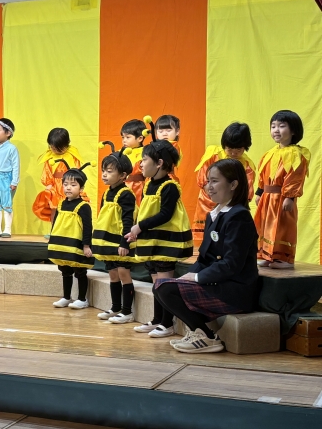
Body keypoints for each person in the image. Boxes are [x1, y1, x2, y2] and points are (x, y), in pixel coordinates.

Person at [154, 159, 259, 353]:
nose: (208, 186)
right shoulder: (213, 214)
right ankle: (197, 332)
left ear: (233, 184)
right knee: (163, 286)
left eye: (215, 181)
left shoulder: (239, 216)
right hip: (217, 284)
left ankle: (207, 338)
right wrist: (187, 277)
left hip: (234, 290)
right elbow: (204, 258)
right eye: (208, 181)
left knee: (165, 288)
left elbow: (231, 264)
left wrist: (197, 277)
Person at [124, 141, 192, 338]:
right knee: (157, 285)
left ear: (159, 163)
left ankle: (167, 323)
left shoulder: (170, 186)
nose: (141, 164)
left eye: (145, 159)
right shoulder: (148, 184)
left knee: (164, 285)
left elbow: (165, 215)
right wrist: (136, 231)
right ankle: (157, 320)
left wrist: (140, 226)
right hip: (152, 242)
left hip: (165, 243)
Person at [254, 110, 309, 269]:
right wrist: (259, 192)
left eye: (282, 126)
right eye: (273, 126)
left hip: (282, 198)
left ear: (293, 131)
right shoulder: (269, 153)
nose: (276, 130)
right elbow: (263, 174)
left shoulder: (296, 154)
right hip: (267, 198)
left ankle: (284, 258)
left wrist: (290, 197)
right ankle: (267, 255)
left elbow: (295, 177)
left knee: (283, 227)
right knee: (266, 226)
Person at [93, 143, 138, 323]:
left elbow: (128, 220)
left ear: (122, 175)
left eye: (109, 171)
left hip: (120, 242)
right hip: (108, 242)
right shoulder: (106, 194)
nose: (104, 174)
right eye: (103, 170)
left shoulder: (126, 194)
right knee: (112, 274)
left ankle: (127, 312)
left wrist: (125, 243)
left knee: (123, 273)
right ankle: (115, 307)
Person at [192, 122, 255, 244]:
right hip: (208, 200)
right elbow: (203, 174)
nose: (233, 153)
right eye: (230, 149)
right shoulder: (214, 154)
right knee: (206, 235)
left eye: (238, 150)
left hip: (230, 203)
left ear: (245, 147)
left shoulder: (246, 165)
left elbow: (246, 188)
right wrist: (210, 190)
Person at [49, 163, 94, 309]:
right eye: (66, 184)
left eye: (73, 185)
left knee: (80, 271)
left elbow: (88, 227)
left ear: (81, 188)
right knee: (65, 271)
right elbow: (55, 224)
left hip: (76, 245)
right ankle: (66, 297)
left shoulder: (84, 206)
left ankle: (82, 299)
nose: (68, 188)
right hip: (63, 245)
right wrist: (52, 241)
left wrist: (86, 246)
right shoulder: (61, 204)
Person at [32, 128, 84, 223]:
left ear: (67, 144)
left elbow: (77, 171)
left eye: (59, 148)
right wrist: (48, 184)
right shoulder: (49, 156)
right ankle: (54, 228)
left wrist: (75, 184)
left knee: (70, 207)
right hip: (55, 186)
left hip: (69, 184)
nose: (55, 150)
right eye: (52, 147)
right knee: (54, 208)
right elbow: (47, 171)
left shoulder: (72, 155)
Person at [120, 117, 151, 205]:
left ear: (140, 138)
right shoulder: (121, 152)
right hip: (121, 185)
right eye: (123, 137)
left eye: (128, 137)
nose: (124, 140)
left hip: (138, 187)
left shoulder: (145, 152)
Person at [154, 115, 182, 184]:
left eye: (168, 130)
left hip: (167, 178)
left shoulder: (174, 146)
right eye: (160, 131)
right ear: (156, 133)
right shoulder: (155, 145)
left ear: (177, 131)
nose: (164, 134)